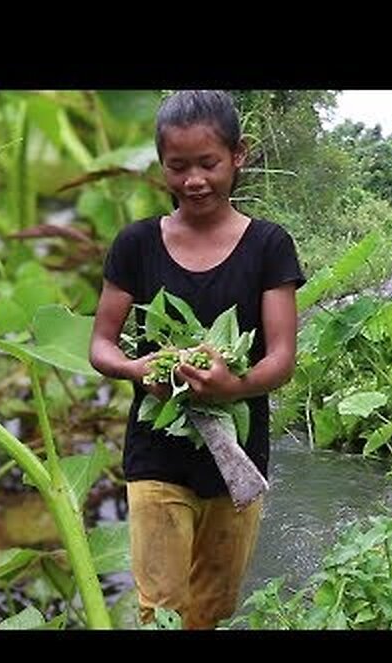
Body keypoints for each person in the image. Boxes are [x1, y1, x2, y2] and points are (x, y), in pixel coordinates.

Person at [89, 90, 306, 629]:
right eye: (177, 166)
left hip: (238, 460)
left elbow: (281, 358)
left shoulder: (269, 246)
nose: (194, 180)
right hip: (155, 452)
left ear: (238, 155)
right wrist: (139, 369)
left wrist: (232, 385)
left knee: (212, 609)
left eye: (207, 163)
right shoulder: (137, 244)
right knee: (158, 608)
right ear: (160, 165)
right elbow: (101, 345)